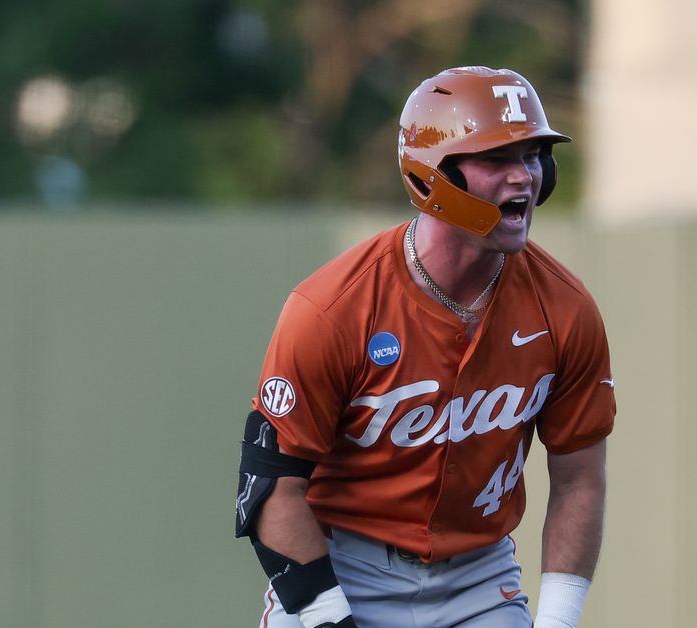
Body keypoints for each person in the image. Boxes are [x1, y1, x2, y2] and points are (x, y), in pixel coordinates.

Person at [234, 66, 616, 628]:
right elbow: (270, 492)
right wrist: (327, 615)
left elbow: (580, 478)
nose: (524, 179)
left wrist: (557, 622)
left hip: (480, 578)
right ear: (431, 177)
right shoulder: (334, 307)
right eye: (496, 159)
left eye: (533, 157)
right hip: (341, 569)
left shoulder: (564, 307)